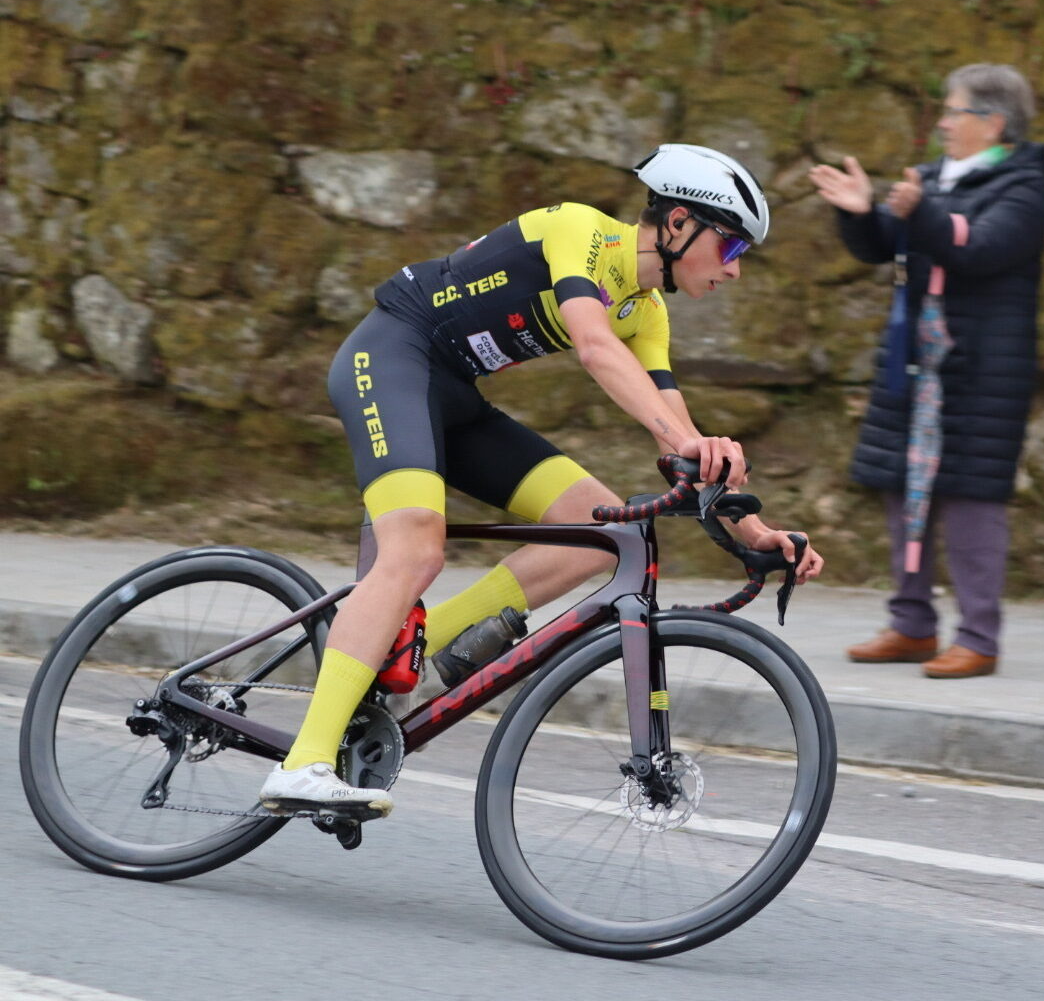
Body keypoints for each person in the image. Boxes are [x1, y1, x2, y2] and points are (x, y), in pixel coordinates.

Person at [259, 144, 824, 816]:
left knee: (598, 531)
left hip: (453, 394)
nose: (734, 269)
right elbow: (593, 345)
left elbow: (677, 432)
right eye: (730, 247)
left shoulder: (647, 313)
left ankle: (409, 648)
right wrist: (688, 441)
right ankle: (303, 762)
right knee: (415, 548)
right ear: (677, 223)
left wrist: (757, 531)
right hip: (389, 360)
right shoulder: (581, 231)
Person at [808, 63, 1044, 680]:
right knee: (901, 486)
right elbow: (887, 242)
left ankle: (978, 637)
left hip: (980, 371)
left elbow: (977, 246)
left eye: (953, 110)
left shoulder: (1025, 186)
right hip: (916, 363)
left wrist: (918, 213)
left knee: (972, 499)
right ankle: (912, 625)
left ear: (992, 122)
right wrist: (863, 213)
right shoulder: (937, 179)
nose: (942, 122)